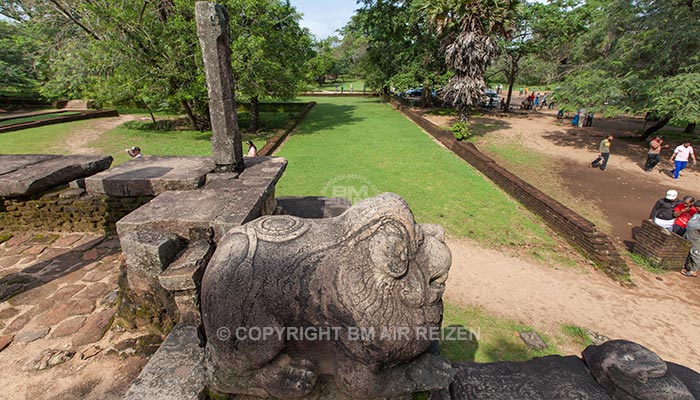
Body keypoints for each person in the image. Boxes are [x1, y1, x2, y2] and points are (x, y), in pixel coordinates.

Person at [682, 211, 700, 277]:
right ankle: (686, 265)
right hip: (689, 233)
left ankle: (693, 271)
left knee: (695, 252)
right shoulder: (697, 214)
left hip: (696, 236)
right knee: (686, 249)